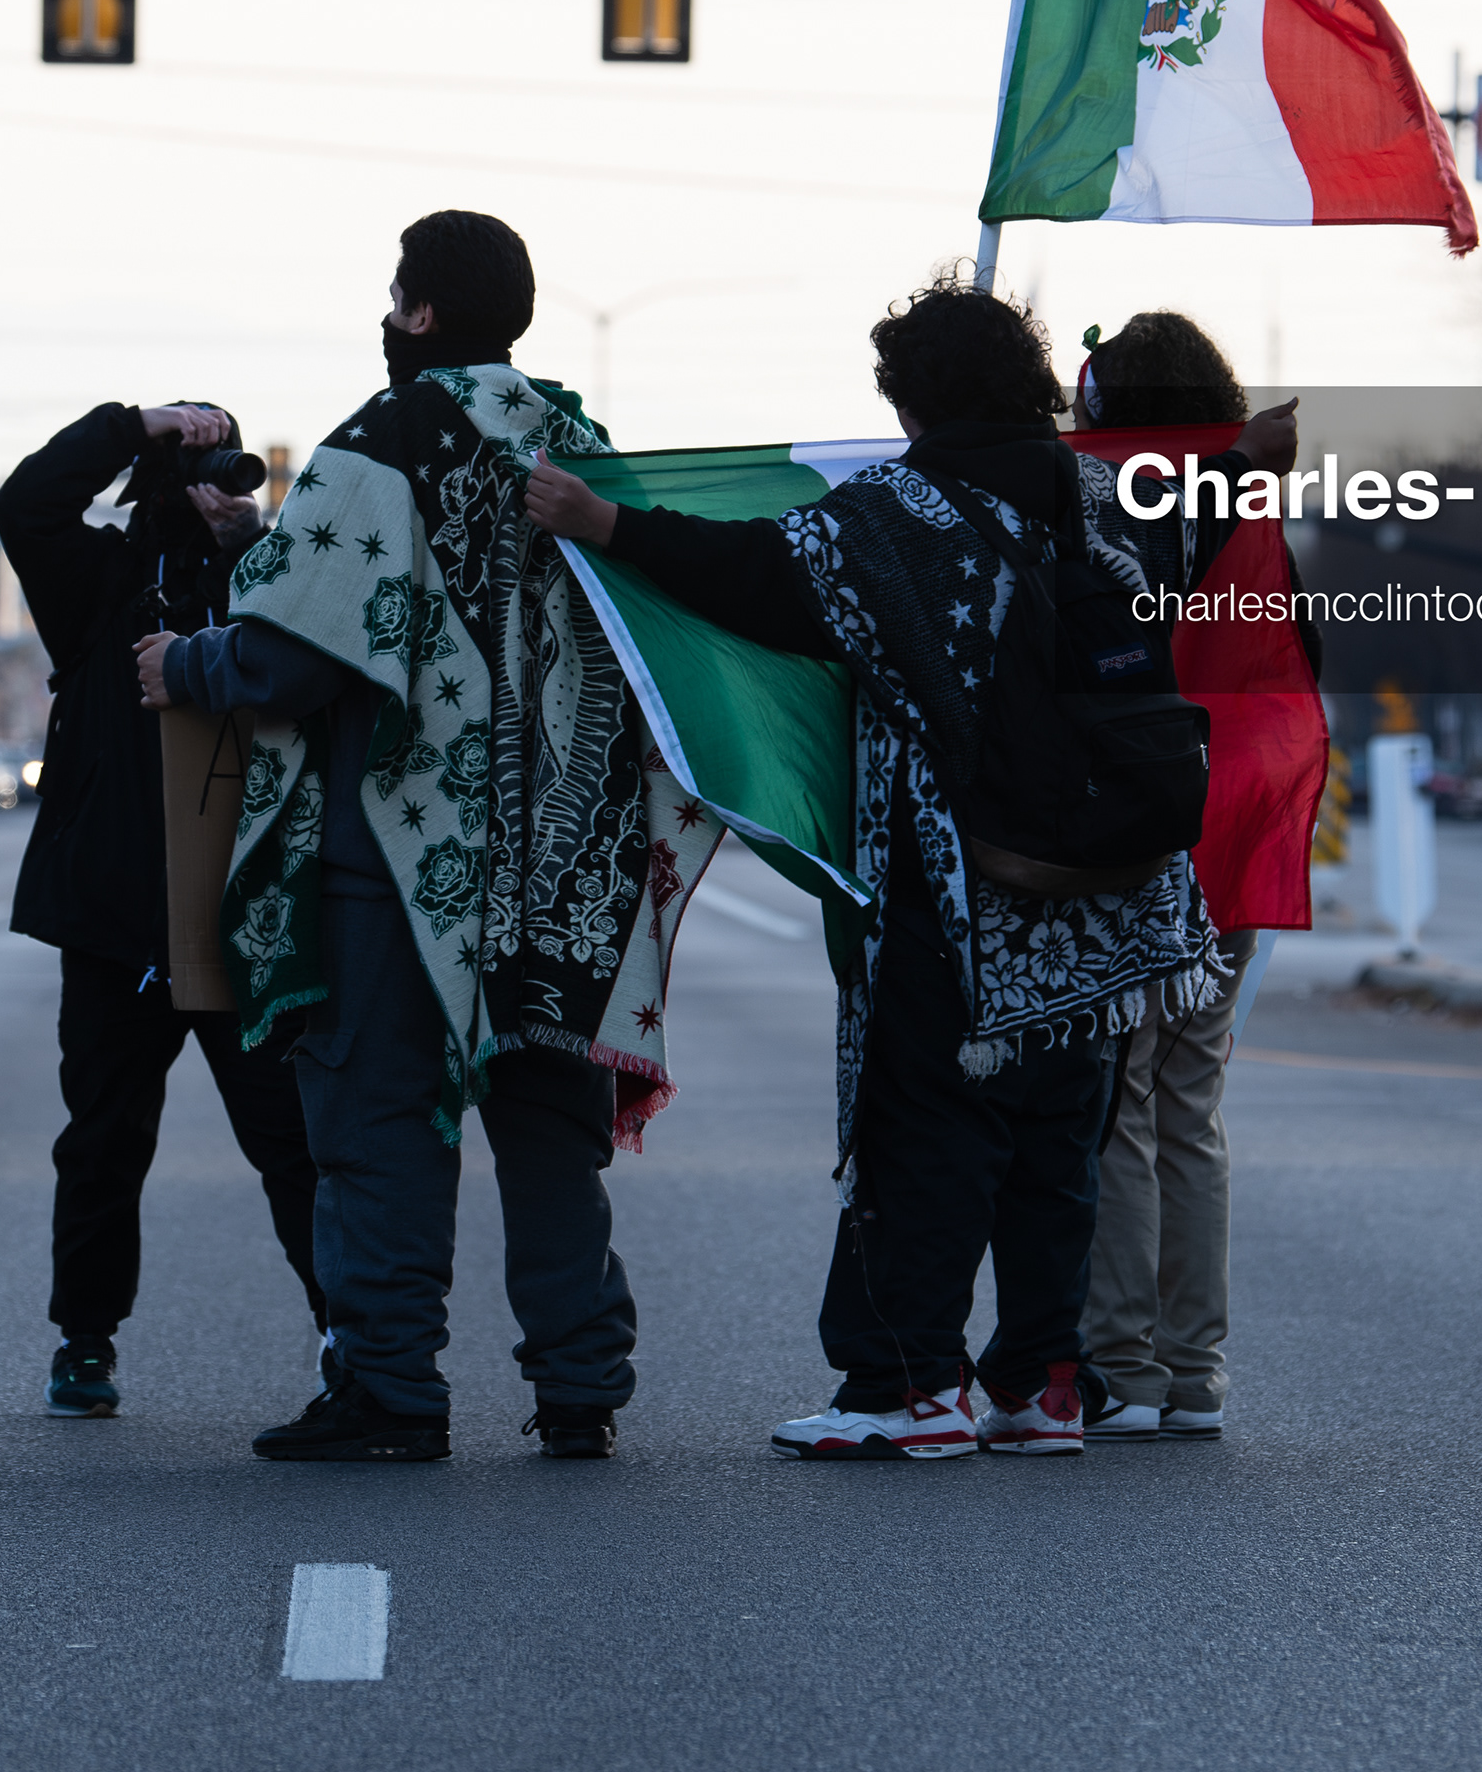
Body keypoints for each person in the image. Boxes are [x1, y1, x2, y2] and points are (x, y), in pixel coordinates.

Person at [523, 278, 1234, 1461]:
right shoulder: (1110, 495)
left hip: (965, 891)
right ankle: (1045, 1384)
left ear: (918, 395)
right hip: (1118, 889)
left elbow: (756, 576)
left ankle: (908, 1386)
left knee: (930, 1132)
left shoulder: (894, 513)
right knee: (1060, 1141)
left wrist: (608, 524)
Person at [137, 210, 718, 1464]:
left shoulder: (381, 441)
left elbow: (296, 659)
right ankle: (580, 1386)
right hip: (563, 867)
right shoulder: (581, 444)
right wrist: (264, 550)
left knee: (380, 1129)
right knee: (552, 1138)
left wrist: (187, 661)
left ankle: (391, 1390)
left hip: (397, 864)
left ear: (416, 313)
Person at [0, 396, 323, 1421]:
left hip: (244, 914)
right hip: (114, 920)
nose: (210, 488)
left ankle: (346, 1328)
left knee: (290, 1138)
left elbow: (319, 649)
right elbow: (26, 505)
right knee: (102, 1138)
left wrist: (249, 546)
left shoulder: (265, 583)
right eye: (192, 472)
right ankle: (84, 1339)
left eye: (225, 468)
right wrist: (133, 425)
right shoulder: (97, 588)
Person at [1065, 311, 1315, 1443]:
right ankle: (1195, 1369)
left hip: (1143, 826)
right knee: (1192, 1103)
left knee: (1119, 1093)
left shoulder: (1125, 501)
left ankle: (1121, 1362)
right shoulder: (1253, 522)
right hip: (1233, 827)